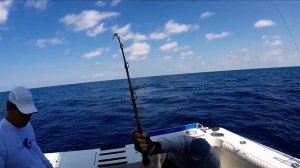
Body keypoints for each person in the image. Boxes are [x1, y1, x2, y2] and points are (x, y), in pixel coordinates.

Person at [0, 86, 53, 168]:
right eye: (23, 113)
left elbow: (35, 150)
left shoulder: (27, 125)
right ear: (9, 108)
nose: (28, 117)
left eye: (30, 113)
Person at [134, 131, 220, 168]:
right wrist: (147, 145)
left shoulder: (214, 161)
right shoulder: (182, 142)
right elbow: (156, 147)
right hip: (173, 163)